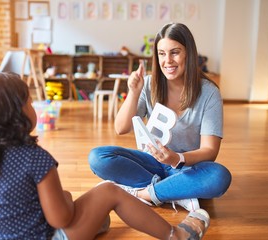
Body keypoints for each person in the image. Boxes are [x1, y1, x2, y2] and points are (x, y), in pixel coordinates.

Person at [0, 71, 210, 240]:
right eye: (30, 102)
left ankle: (99, 222)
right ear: (15, 115)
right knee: (109, 191)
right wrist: (66, 198)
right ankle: (175, 235)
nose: (34, 107)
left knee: (97, 219)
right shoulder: (36, 159)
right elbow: (60, 218)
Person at [88, 22, 232, 211]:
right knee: (98, 157)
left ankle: (143, 194)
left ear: (188, 53)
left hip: (187, 167)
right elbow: (120, 128)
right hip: (151, 163)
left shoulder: (209, 93)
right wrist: (133, 92)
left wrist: (176, 158)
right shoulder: (149, 84)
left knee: (219, 176)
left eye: (175, 52)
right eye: (162, 53)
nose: (168, 61)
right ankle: (173, 191)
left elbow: (210, 151)